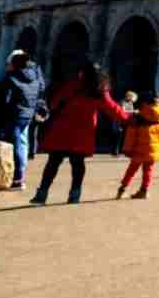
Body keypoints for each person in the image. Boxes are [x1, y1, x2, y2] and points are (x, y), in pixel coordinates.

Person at [30, 62, 132, 205]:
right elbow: (113, 109)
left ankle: (42, 193)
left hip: (64, 128)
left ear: (82, 73)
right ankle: (74, 194)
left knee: (53, 162)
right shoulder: (99, 90)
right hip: (83, 131)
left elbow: (55, 101)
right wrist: (129, 118)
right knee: (77, 164)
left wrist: (52, 109)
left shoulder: (73, 84)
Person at [0, 51, 45, 191]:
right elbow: (41, 89)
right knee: (22, 143)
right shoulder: (34, 76)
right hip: (27, 114)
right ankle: (20, 176)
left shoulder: (14, 77)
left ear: (14, 64)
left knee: (15, 145)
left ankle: (18, 179)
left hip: (15, 114)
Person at [117, 95, 159, 200]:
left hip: (138, 150)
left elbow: (130, 136)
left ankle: (122, 189)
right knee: (148, 171)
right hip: (153, 151)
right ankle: (144, 191)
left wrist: (127, 150)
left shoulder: (138, 119)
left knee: (131, 170)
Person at [110, 91, 137, 157]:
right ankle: (115, 151)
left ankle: (118, 151)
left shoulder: (129, 102)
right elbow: (123, 111)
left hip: (125, 122)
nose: (133, 100)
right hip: (119, 122)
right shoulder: (123, 102)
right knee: (118, 137)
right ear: (129, 96)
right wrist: (134, 111)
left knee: (122, 137)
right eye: (132, 98)